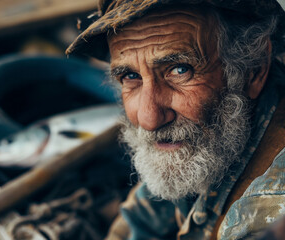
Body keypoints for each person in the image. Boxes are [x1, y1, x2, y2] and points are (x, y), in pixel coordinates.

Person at [66, 0, 285, 239]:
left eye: (180, 70)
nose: (149, 118)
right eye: (131, 76)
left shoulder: (270, 212)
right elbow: (140, 218)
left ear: (253, 70)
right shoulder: (203, 143)